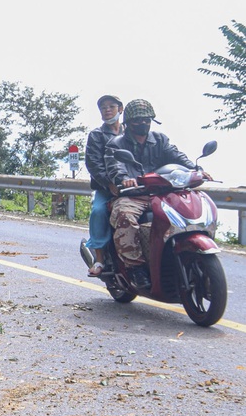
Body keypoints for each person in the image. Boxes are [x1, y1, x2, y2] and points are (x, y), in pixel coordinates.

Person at [105, 99, 209, 288]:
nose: (143, 123)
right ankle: (135, 267)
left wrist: (197, 169)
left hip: (163, 193)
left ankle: (185, 253)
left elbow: (177, 156)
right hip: (133, 194)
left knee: (188, 212)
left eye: (147, 120)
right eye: (138, 120)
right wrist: (124, 179)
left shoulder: (160, 140)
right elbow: (114, 166)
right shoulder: (116, 144)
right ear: (128, 123)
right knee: (125, 216)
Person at [84, 94, 123, 275]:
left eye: (111, 106)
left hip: (133, 187)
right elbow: (93, 164)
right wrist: (109, 184)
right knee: (99, 211)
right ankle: (99, 259)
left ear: (120, 109)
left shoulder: (130, 133)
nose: (107, 110)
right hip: (106, 188)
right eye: (103, 107)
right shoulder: (97, 135)